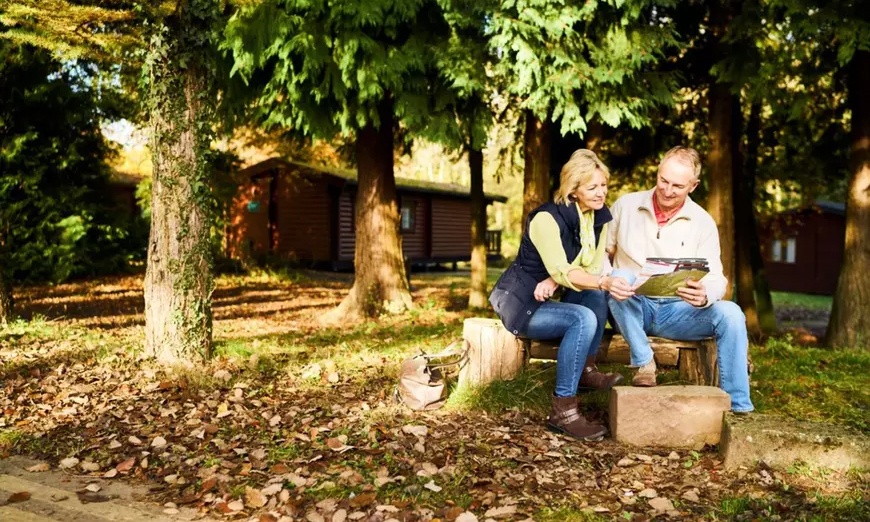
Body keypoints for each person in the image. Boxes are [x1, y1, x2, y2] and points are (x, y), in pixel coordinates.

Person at [601, 146, 754, 413]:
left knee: (731, 313)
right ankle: (644, 361)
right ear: (658, 173)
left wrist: (706, 294)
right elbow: (601, 252)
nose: (668, 190)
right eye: (664, 181)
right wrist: (608, 276)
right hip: (632, 306)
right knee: (620, 275)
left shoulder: (703, 222)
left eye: (678, 186)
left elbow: (717, 277)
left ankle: (739, 407)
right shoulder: (625, 205)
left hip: (678, 312)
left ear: (693, 186)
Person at [489, 149, 623, 441]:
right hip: (521, 304)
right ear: (573, 191)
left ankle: (585, 370)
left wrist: (556, 277)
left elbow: (590, 265)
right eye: (592, 188)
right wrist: (595, 280)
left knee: (595, 297)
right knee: (583, 317)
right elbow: (572, 271)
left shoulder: (597, 219)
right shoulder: (546, 220)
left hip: (547, 296)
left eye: (603, 185)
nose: (601, 193)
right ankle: (563, 411)